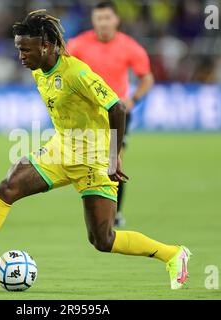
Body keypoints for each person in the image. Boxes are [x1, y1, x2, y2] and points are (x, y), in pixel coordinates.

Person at [0, 10, 191, 290]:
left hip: (95, 160)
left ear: (45, 46)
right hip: (61, 150)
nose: (20, 56)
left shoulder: (76, 73)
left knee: (103, 240)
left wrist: (114, 157)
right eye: (18, 49)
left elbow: (118, 107)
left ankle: (174, 254)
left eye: (24, 50)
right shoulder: (40, 71)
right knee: (9, 186)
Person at [67, 1, 155, 227]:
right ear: (93, 20)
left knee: (115, 160)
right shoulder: (77, 45)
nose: (103, 23)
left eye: (107, 18)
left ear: (116, 20)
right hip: (86, 116)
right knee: (83, 164)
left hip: (116, 114)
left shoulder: (129, 46)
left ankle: (114, 214)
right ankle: (97, 210)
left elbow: (146, 77)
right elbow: (63, 71)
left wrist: (133, 99)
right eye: (99, 18)